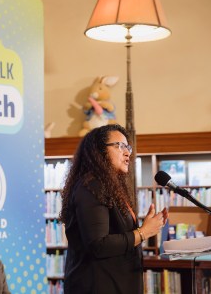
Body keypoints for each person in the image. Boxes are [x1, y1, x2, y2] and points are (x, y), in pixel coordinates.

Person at [59, 124, 168, 294]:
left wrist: (143, 228)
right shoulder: (91, 186)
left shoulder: (109, 186)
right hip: (97, 286)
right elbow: (98, 244)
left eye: (128, 147)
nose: (127, 153)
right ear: (99, 151)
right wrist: (144, 232)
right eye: (120, 146)